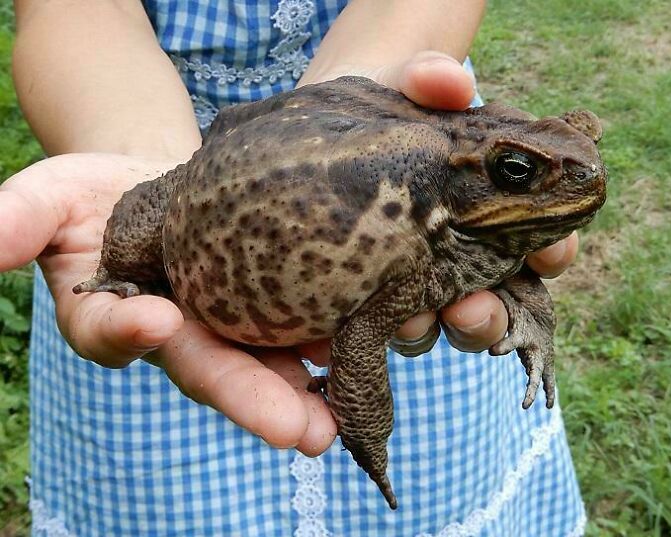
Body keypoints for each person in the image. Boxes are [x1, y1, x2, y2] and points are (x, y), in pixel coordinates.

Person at [4, 1, 586, 535]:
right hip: (216, 194)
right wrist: (371, 436)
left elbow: (485, 263)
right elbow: (361, 340)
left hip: (373, 123)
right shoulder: (426, 237)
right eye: (518, 171)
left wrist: (375, 71)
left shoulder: (444, 225)